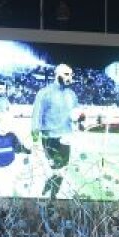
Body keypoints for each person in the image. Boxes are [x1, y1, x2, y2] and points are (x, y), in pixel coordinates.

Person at [30, 64, 78, 198]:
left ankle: (51, 194)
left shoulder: (72, 95)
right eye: (67, 74)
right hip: (49, 136)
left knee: (63, 169)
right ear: (57, 75)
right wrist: (35, 138)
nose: (70, 77)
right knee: (56, 167)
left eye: (71, 75)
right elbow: (37, 115)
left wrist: (80, 119)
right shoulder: (44, 93)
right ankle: (51, 195)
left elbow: (75, 114)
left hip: (66, 136)